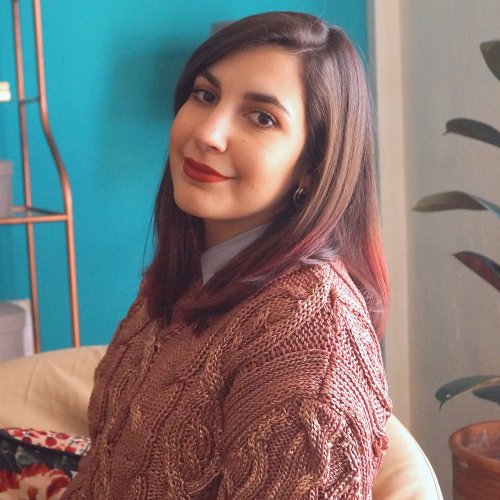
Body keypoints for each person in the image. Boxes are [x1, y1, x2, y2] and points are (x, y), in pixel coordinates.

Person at [63, 11, 392, 499]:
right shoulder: (190, 271)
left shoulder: (310, 347)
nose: (208, 133)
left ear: (312, 166)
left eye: (262, 117)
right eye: (205, 95)